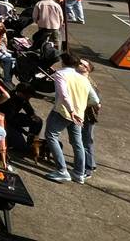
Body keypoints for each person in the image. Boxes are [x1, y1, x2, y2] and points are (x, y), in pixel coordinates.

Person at [45, 52, 91, 183]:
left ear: (63, 62)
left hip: (63, 112)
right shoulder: (84, 79)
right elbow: (91, 98)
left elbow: (63, 95)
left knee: (51, 135)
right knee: (77, 142)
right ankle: (79, 173)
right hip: (79, 114)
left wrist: (71, 111)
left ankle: (62, 170)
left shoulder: (61, 74)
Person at [80, 59, 101, 180]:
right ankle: (91, 164)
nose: (79, 65)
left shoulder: (88, 83)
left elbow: (96, 102)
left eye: (82, 64)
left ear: (87, 69)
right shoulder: (86, 80)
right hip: (86, 115)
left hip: (87, 115)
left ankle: (87, 168)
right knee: (86, 140)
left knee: (85, 141)